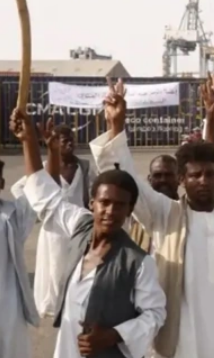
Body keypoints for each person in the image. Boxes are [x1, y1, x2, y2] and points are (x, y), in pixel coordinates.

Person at [88, 73, 214, 358]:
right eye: (195, 175)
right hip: (182, 336)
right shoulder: (165, 213)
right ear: (182, 179)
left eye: (210, 174)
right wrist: (116, 127)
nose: (203, 181)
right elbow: (125, 181)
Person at [14, 108, 167, 358]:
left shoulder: (138, 262)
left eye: (120, 205)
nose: (110, 211)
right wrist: (29, 141)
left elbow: (155, 314)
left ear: (130, 210)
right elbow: (45, 196)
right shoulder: (81, 226)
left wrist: (113, 335)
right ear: (92, 203)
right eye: (104, 202)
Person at [11, 121, 98, 317]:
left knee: (78, 265)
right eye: (64, 141)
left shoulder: (84, 167)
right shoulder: (45, 167)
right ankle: (57, 306)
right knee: (55, 266)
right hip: (54, 227)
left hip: (77, 223)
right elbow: (20, 187)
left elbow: (95, 190)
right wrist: (37, 209)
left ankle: (74, 302)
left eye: (71, 140)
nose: (69, 144)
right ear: (55, 142)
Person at [0, 158, 39, 358]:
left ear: (1, 183)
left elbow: (38, 185)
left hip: (7, 308)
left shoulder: (13, 215)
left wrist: (34, 145)